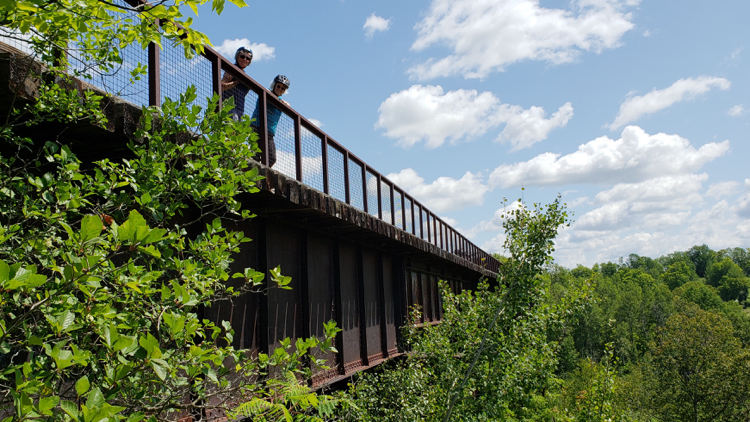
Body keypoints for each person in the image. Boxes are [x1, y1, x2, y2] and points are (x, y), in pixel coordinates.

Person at [251, 74, 290, 168]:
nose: (280, 89)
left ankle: (259, 172)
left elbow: (288, 106)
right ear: (274, 85)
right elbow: (267, 94)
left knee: (271, 158)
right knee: (255, 154)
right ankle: (251, 174)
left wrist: (285, 103)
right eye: (279, 86)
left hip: (269, 132)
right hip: (257, 126)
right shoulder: (266, 92)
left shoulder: (281, 101)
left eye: (283, 88)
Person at [221, 46, 252, 120]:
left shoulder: (245, 76)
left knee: (239, 130)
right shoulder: (232, 70)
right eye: (242, 56)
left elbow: (243, 94)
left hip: (240, 109)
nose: (244, 59)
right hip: (229, 106)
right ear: (237, 57)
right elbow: (222, 86)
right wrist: (236, 82)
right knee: (233, 127)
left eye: (247, 58)